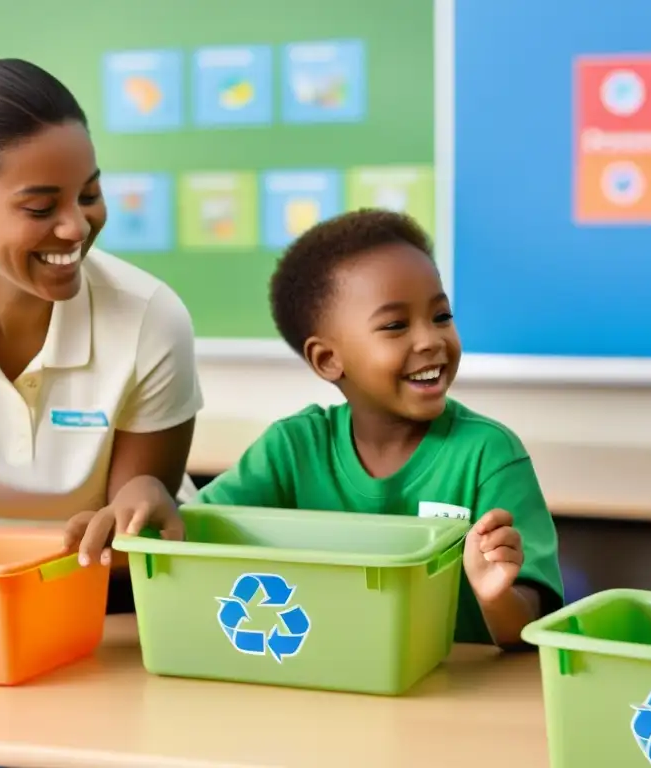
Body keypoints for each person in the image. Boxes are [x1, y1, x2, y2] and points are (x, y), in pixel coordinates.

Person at [86, 208, 564, 647]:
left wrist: (495, 595)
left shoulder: (489, 455)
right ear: (327, 359)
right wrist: (148, 490)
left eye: (441, 316)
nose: (430, 340)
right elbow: (188, 546)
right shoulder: (292, 450)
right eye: (396, 326)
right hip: (325, 692)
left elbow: (524, 632)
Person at [0, 44, 202, 611]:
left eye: (89, 195)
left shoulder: (149, 318)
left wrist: (142, 505)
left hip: (122, 601)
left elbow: (131, 530)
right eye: (41, 208)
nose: (76, 227)